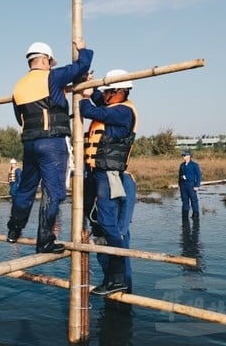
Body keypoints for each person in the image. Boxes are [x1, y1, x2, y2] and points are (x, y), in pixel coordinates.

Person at [6, 39, 93, 254]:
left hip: (30, 143)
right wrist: (82, 49)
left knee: (26, 189)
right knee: (53, 192)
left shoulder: (18, 86)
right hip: (52, 142)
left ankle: (13, 230)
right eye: (50, 62)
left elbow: (21, 119)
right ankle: (44, 240)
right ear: (45, 60)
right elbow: (82, 66)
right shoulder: (52, 77)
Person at [79, 69, 138, 296]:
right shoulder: (112, 107)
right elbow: (96, 99)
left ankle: (119, 279)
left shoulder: (122, 112)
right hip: (96, 174)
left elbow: (87, 107)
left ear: (120, 91)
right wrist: (88, 84)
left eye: (108, 92)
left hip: (109, 174)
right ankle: (111, 279)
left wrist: (84, 96)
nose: (104, 95)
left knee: (109, 223)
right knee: (98, 224)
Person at [179, 150, 201, 219]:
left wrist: (197, 185)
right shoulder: (182, 165)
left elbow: (198, 176)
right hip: (183, 185)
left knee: (193, 200)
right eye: (183, 155)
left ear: (189, 156)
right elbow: (179, 175)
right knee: (184, 200)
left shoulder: (194, 165)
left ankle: (195, 214)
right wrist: (179, 185)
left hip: (191, 185)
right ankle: (185, 215)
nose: (183, 156)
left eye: (184, 155)